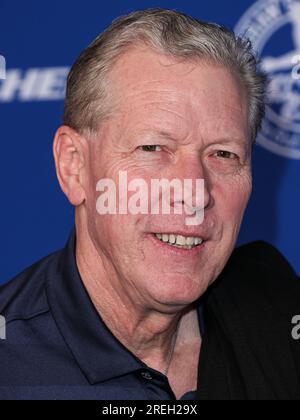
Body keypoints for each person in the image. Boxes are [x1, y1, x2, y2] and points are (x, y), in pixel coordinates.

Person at [0, 8, 299, 400]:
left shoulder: (276, 312)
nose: (194, 192)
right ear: (74, 167)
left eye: (223, 154)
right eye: (153, 148)